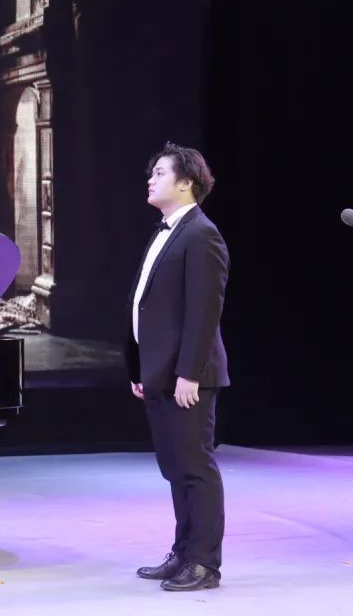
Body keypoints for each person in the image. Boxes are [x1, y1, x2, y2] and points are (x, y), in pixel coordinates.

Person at [125, 143, 230, 592]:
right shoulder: (167, 232)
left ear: (186, 182)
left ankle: (204, 563)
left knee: (195, 467)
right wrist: (140, 369)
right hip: (160, 373)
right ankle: (184, 552)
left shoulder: (201, 234)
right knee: (174, 467)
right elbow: (148, 307)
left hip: (188, 377)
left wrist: (189, 373)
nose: (151, 179)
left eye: (160, 173)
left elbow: (204, 311)